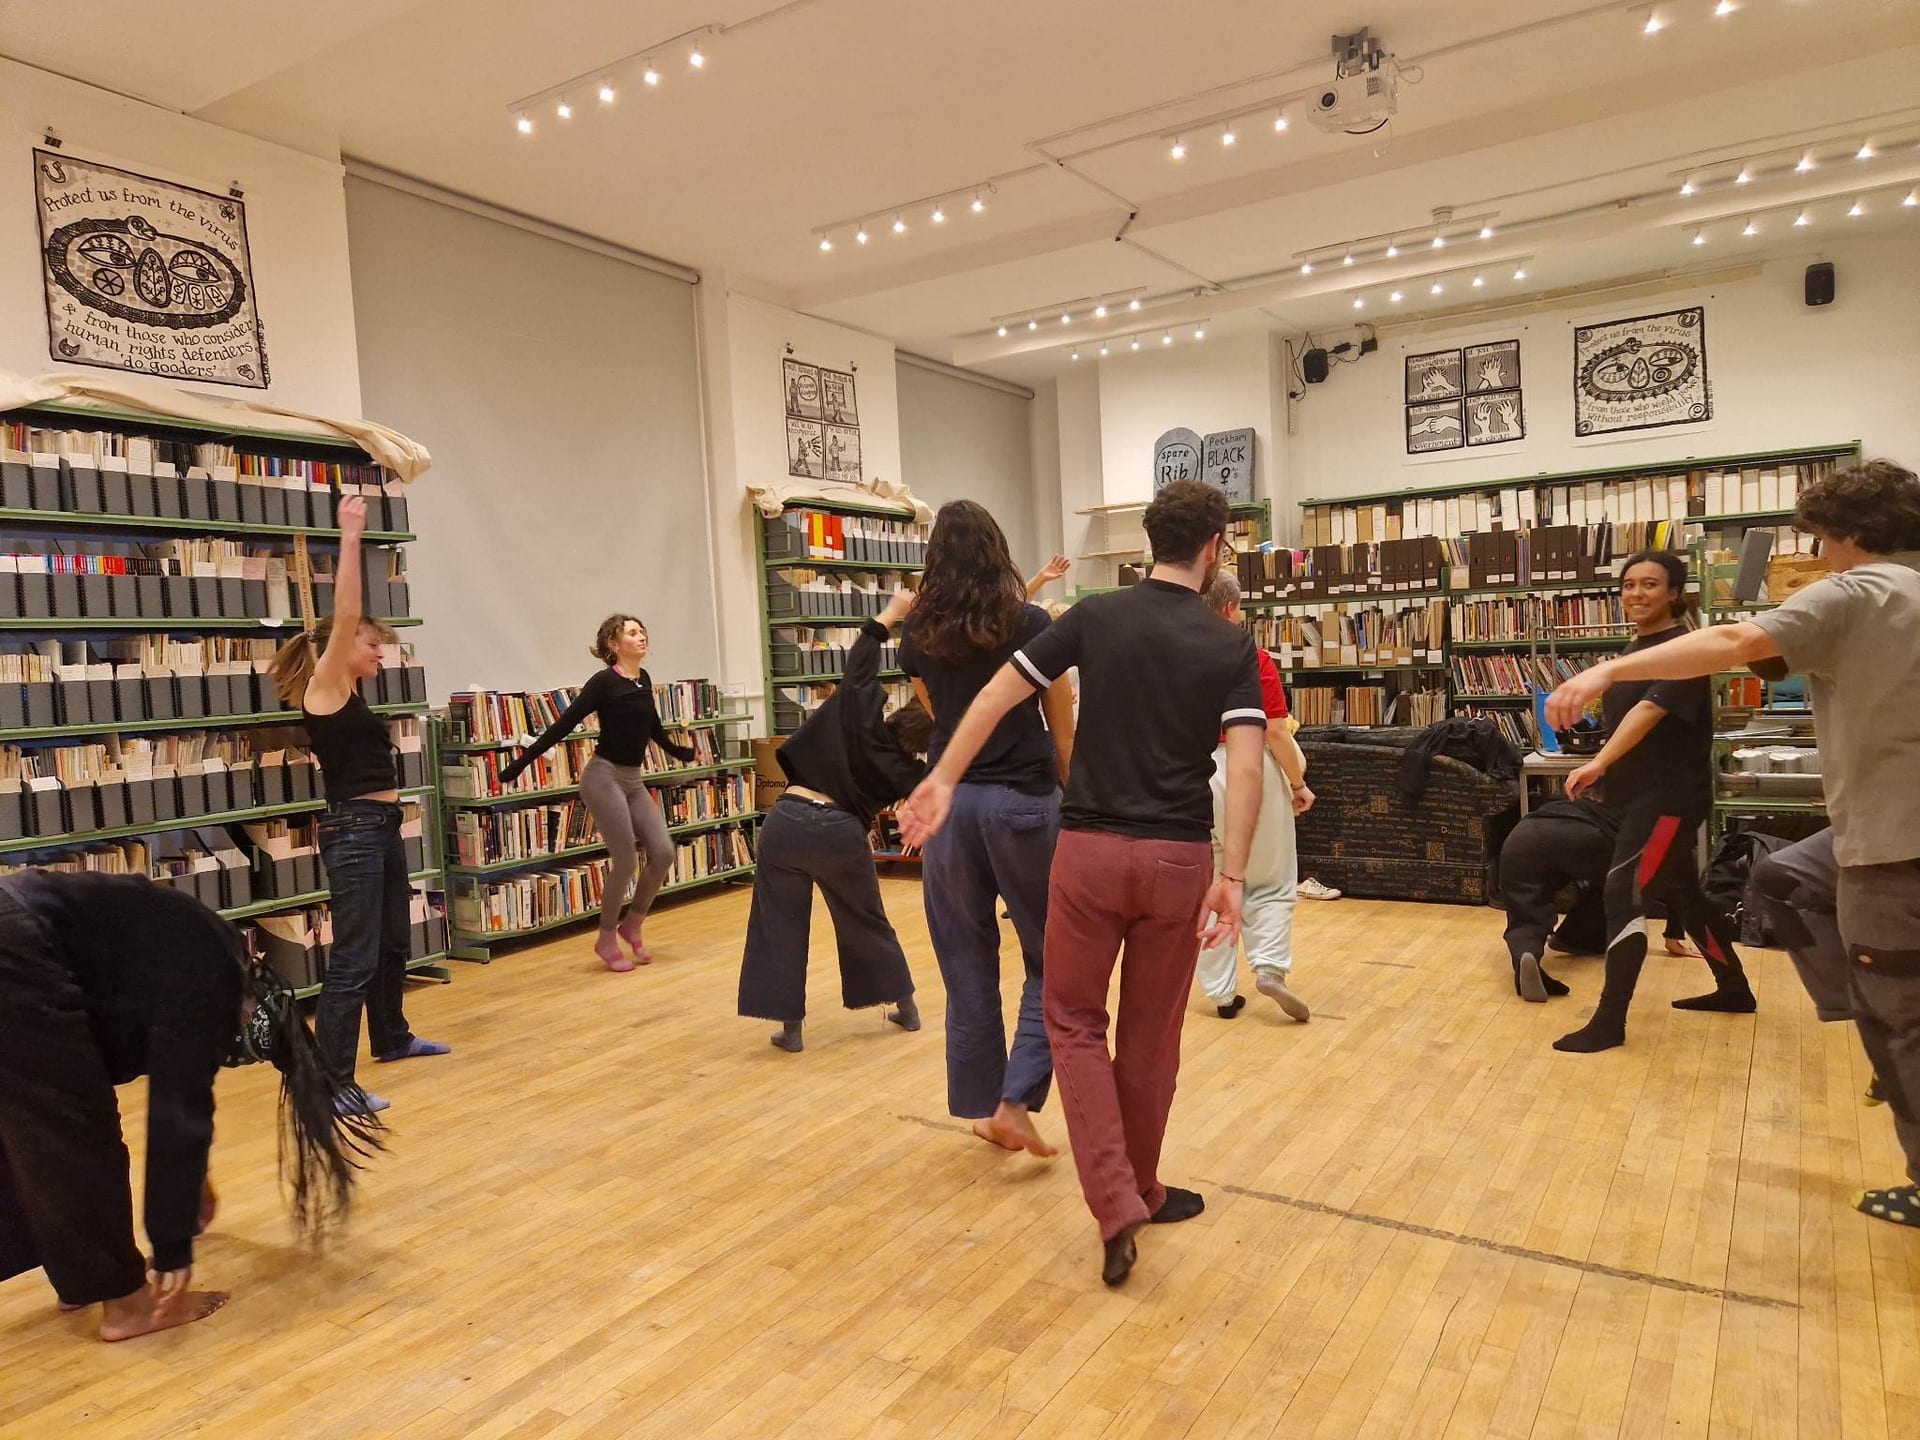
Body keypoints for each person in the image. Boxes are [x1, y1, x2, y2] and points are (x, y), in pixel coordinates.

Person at [900, 480, 1265, 1288]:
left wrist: (946, 777)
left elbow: (1001, 694)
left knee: (1070, 1018)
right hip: (1177, 862)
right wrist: (1234, 875)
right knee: (1150, 1035)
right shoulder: (1229, 645)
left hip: (1090, 853)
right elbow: (1245, 768)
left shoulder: (1094, 616)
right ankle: (1137, 1187)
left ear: (1149, 541)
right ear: (1214, 549)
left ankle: (1115, 1200)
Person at [1549, 460, 1920, 1222]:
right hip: (1866, 827)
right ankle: (1751, 988)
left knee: (1902, 1022)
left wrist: (1603, 673)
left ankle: (1911, 1133)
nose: (1815, 555)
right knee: (1780, 879)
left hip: (1891, 835)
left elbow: (1735, 640)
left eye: (1820, 538)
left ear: (1850, 535)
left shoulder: (1859, 589)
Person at [0, 871, 381, 1342]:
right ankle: (128, 1306)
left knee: (27, 1125)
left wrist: (191, 1180)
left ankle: (81, 1279)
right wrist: (173, 1243)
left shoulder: (192, 955)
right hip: (16, 940)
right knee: (75, 1131)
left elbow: (170, 1084)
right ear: (250, 1006)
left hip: (16, 932)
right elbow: (178, 1107)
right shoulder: (213, 972)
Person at [900, 502, 1076, 1156]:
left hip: (950, 811)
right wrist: (1080, 803)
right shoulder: (1031, 623)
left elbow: (941, 717)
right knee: (1053, 956)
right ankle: (1015, 1100)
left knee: (966, 961)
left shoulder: (916, 634)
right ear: (998, 550)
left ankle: (982, 1106)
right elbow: (1062, 729)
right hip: (1024, 801)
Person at [269, 496, 447, 1113]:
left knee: (394, 941)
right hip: (354, 830)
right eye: (373, 647)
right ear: (342, 648)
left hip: (379, 824)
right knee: (353, 958)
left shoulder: (348, 691)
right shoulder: (327, 686)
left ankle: (392, 1038)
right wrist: (350, 535)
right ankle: (331, 1084)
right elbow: (345, 611)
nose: (380, 656)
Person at [1545, 550, 1754, 1052]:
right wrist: (1607, 770)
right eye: (1629, 584)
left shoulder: (1684, 650)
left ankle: (1610, 1020)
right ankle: (1735, 990)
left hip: (1667, 803)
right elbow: (1629, 723)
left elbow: (1648, 711)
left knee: (1623, 895)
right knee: (1684, 895)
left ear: (1675, 594)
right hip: (1640, 798)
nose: (1636, 594)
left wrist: (1597, 763)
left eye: (1650, 585)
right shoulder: (1637, 650)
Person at [738, 589, 930, 1054]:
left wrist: (893, 613)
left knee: (778, 924)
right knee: (865, 919)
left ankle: (792, 1031)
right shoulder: (912, 770)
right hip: (841, 833)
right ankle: (906, 1008)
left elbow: (863, 655)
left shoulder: (856, 712)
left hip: (787, 821)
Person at [496, 617, 699, 972]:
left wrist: (676, 750)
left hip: (633, 780)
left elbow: (652, 726)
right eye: (632, 632)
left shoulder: (643, 679)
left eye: (642, 631)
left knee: (664, 852)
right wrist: (520, 765)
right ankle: (606, 937)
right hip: (602, 778)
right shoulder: (604, 683)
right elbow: (563, 724)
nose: (642, 637)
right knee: (625, 858)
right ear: (613, 644)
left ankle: (632, 923)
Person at [1196, 570, 1314, 1022]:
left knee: (1211, 881)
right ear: (1230, 609)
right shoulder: (1253, 656)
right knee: (1271, 876)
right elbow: (1277, 732)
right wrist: (1298, 784)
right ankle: (1268, 967)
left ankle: (1222, 994)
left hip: (1197, 773)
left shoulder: (1176, 656)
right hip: (1252, 767)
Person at [1498, 796, 1693, 1001]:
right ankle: (1576, 938)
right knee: (1615, 888)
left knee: (1525, 916)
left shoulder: (1583, 803)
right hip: (1586, 835)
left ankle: (1526, 955)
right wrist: (1674, 936)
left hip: (1521, 836)